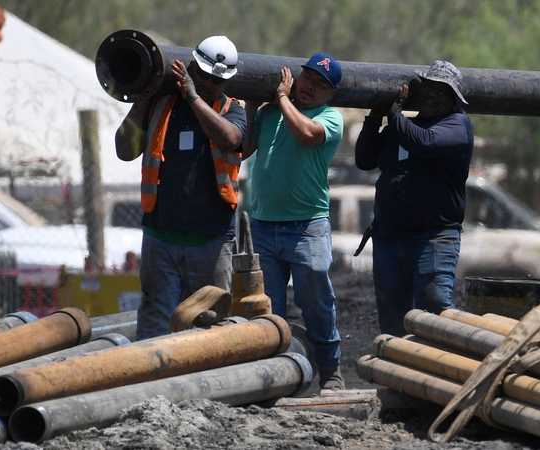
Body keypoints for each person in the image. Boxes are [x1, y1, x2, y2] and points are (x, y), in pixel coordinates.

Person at [115, 36, 247, 340]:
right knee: (155, 321)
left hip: (210, 239)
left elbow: (230, 139)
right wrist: (146, 96)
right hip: (161, 236)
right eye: (203, 76)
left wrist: (193, 97)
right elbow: (124, 149)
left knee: (208, 325)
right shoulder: (161, 107)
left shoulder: (232, 110)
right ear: (190, 68)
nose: (209, 84)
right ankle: (152, 383)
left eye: (217, 81)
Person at [243, 52, 345, 390]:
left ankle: (331, 372)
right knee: (266, 306)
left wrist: (284, 97)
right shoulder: (271, 112)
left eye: (321, 85)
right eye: (308, 78)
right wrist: (252, 107)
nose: (311, 87)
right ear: (297, 76)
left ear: (330, 94)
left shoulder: (329, 116)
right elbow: (242, 150)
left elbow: (306, 134)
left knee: (316, 301)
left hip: (307, 226)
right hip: (262, 223)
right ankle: (272, 377)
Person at [354, 60, 474, 337]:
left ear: (454, 98)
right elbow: (364, 160)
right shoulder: (404, 128)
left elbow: (424, 142)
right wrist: (374, 117)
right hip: (389, 241)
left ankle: (437, 375)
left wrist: (394, 114)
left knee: (434, 313)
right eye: (429, 87)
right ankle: (396, 377)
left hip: (432, 240)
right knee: (393, 321)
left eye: (442, 91)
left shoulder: (457, 126)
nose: (433, 94)